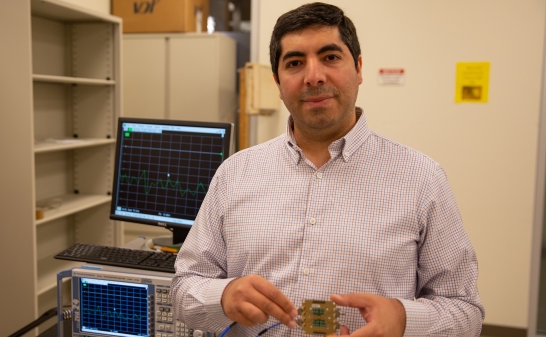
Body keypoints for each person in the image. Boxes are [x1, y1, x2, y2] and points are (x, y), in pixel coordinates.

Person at [171, 2, 485, 336]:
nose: (314, 76)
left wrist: (403, 319)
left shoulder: (422, 179)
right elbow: (183, 288)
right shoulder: (235, 173)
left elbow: (465, 311)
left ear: (359, 68)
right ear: (278, 81)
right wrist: (222, 296)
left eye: (330, 57)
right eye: (295, 63)